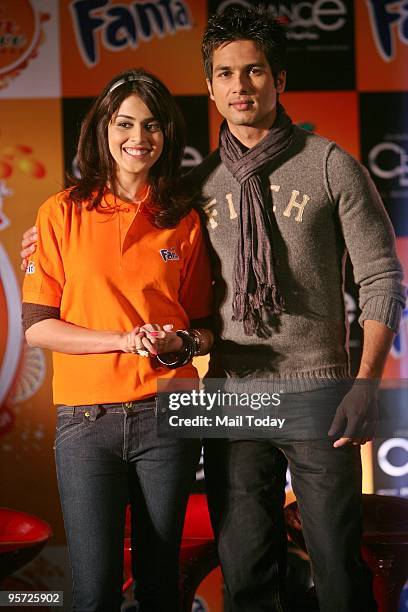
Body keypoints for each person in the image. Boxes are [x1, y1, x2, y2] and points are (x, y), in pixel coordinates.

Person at [20, 6, 406, 612]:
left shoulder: (332, 165)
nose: (239, 86)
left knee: (336, 573)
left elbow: (383, 276)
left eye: (253, 72)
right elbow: (133, 255)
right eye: (225, 73)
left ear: (280, 80)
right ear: (210, 87)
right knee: (245, 573)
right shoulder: (193, 189)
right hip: (231, 393)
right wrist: (45, 241)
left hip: (317, 392)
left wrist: (366, 382)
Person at [21, 68, 213, 612]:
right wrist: (124, 341)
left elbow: (202, 328)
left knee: (160, 589)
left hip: (169, 415)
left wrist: (180, 343)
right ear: (103, 130)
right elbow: (38, 327)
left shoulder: (184, 221)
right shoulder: (60, 213)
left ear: (167, 136)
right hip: (86, 422)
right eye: (125, 123)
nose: (139, 138)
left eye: (152, 126)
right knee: (95, 591)